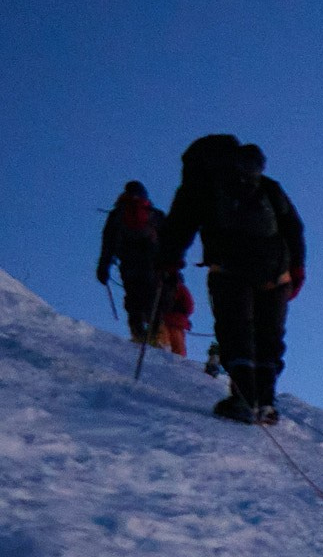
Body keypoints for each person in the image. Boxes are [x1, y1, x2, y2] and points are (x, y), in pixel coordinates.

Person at [159, 137, 305, 424]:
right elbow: (293, 226)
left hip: (230, 271)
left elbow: (178, 228)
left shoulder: (200, 186)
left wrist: (168, 261)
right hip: (277, 273)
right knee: (269, 336)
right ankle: (265, 401)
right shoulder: (265, 185)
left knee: (236, 331)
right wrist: (297, 268)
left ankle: (243, 398)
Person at [96, 181, 165, 344]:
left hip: (128, 263)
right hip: (152, 263)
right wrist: (171, 266)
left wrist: (103, 266)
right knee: (153, 297)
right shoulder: (155, 215)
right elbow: (169, 241)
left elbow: (108, 243)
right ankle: (156, 335)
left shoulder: (117, 215)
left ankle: (137, 333)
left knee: (133, 296)